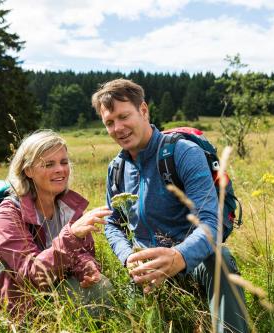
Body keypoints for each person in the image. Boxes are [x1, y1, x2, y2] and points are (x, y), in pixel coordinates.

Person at [91, 79, 248, 332]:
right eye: (109, 122)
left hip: (192, 262)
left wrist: (179, 256)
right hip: (145, 270)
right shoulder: (116, 169)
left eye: (124, 116)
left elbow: (211, 221)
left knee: (220, 260)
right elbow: (112, 222)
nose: (118, 128)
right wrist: (128, 257)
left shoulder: (182, 153)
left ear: (143, 110)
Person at [0, 129, 113, 316]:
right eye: (49, 164)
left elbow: (82, 253)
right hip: (14, 310)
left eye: (64, 162)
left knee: (101, 286)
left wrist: (86, 268)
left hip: (51, 296)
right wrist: (71, 235)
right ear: (28, 170)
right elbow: (31, 274)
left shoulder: (69, 208)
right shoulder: (8, 214)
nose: (60, 169)